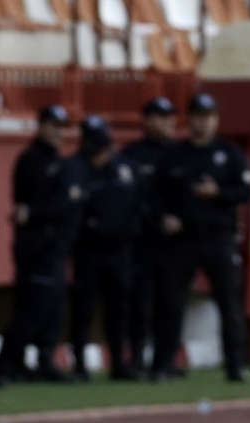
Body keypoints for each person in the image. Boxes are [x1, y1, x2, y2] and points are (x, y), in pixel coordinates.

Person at [154, 93, 250, 382]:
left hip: (218, 236)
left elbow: (246, 191)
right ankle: (163, 364)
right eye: (198, 116)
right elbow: (155, 194)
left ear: (216, 120)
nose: (204, 123)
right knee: (171, 302)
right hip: (182, 238)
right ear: (189, 120)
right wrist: (164, 217)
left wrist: (218, 193)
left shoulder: (229, 153)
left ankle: (235, 365)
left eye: (209, 117)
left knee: (229, 302)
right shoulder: (174, 154)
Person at [0, 104, 81, 382]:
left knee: (53, 307)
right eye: (54, 126)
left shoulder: (60, 162)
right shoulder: (31, 160)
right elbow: (48, 205)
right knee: (32, 306)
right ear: (41, 126)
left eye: (62, 127)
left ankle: (44, 359)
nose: (59, 133)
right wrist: (44, 211)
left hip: (56, 247)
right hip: (37, 246)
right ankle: (8, 361)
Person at [68, 116, 140, 381]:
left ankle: (119, 362)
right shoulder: (77, 168)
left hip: (120, 249)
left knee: (118, 309)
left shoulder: (123, 168)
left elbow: (136, 202)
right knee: (84, 308)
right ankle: (79, 365)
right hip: (88, 249)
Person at [120, 96, 177, 379]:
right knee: (140, 302)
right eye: (160, 117)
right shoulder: (133, 154)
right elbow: (129, 197)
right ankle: (137, 357)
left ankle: (165, 360)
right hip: (143, 240)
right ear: (147, 120)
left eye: (170, 117)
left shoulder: (179, 152)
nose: (167, 123)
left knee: (171, 302)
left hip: (174, 242)